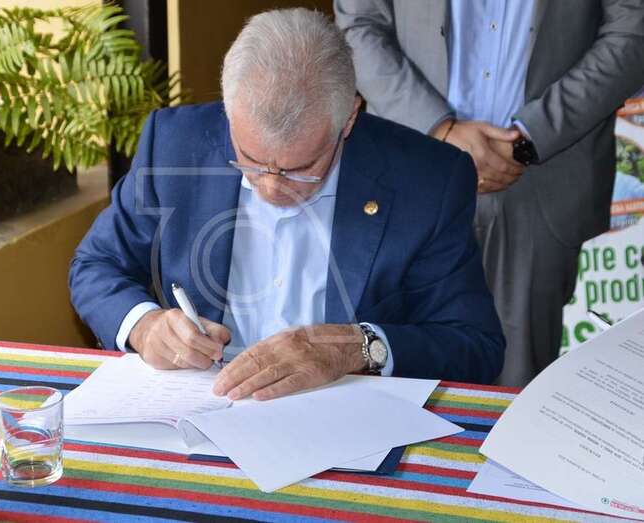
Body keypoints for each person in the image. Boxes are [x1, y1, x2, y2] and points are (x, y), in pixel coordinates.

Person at [69, 8, 504, 401]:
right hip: (202, 404)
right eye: (250, 160)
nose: (272, 187)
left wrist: (356, 348)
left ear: (348, 118)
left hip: (341, 418)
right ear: (230, 111)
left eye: (301, 169)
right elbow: (96, 265)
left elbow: (474, 345)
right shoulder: (174, 144)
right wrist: (144, 326)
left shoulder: (427, 180)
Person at [335, 0, 644, 386]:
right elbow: (358, 25)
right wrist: (439, 130)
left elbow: (632, 30)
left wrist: (531, 137)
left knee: (517, 385)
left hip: (537, 181)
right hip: (410, 173)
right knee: (392, 370)